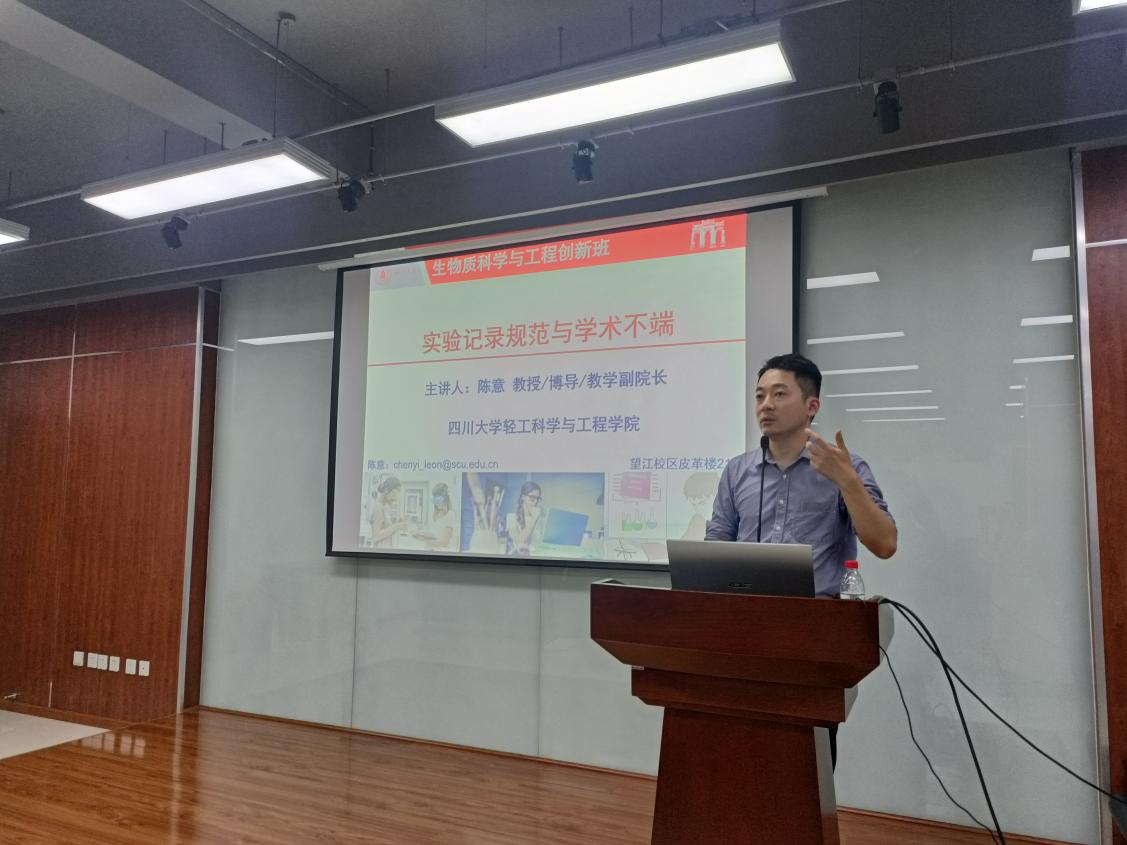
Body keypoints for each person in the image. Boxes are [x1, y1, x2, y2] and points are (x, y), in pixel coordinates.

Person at [706, 353, 897, 768]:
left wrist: (846, 481)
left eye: (779, 394)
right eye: (759, 395)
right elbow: (716, 544)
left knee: (806, 757)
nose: (766, 405)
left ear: (812, 406)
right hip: (743, 631)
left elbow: (884, 543)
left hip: (813, 636)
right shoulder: (737, 471)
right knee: (739, 749)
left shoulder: (847, 468)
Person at [412, 482, 456, 551]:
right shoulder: (437, 514)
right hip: (430, 551)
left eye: (439, 499)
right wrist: (419, 533)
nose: (436, 503)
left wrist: (423, 539)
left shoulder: (450, 515)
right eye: (434, 499)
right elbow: (434, 534)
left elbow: (444, 543)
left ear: (446, 498)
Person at [505, 481, 545, 556]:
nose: (535, 502)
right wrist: (534, 518)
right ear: (523, 497)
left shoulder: (541, 520)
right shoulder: (511, 517)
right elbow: (519, 542)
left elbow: (539, 544)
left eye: (538, 498)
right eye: (532, 498)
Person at [368, 476, 409, 549]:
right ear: (386, 490)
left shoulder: (385, 508)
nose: (394, 501)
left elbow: (388, 533)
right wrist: (397, 526)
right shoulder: (378, 507)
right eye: (393, 497)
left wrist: (398, 525)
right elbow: (375, 536)